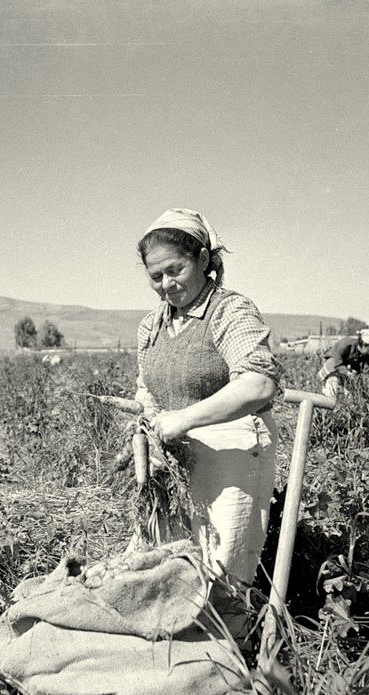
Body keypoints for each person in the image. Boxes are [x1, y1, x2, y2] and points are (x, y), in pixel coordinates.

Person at [134, 207, 282, 591]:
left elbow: (258, 384)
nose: (166, 284)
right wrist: (149, 427)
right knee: (164, 567)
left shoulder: (229, 310)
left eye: (175, 271)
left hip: (233, 453)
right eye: (155, 276)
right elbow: (146, 388)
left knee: (221, 573)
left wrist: (182, 419)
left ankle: (228, 647)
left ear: (202, 259)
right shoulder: (152, 325)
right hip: (174, 457)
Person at [318, 330, 369, 397]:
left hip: (347, 373)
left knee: (352, 394)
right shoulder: (345, 344)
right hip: (333, 367)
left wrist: (367, 386)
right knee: (333, 386)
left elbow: (366, 373)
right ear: (363, 344)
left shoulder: (368, 356)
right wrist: (347, 372)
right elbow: (337, 362)